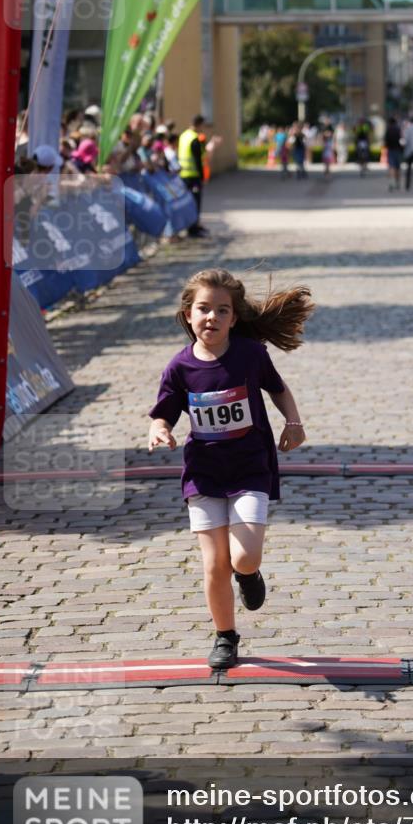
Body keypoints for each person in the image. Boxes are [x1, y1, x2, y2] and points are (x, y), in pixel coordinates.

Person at [148, 269, 314, 670]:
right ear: (188, 314)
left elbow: (277, 388)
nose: (212, 318)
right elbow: (163, 414)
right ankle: (225, 636)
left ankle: (250, 576)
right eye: (204, 309)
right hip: (204, 474)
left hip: (250, 468)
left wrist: (293, 423)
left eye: (222, 310)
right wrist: (159, 431)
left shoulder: (250, 355)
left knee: (244, 557)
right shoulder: (179, 368)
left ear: (234, 318)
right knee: (214, 563)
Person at [178, 114, 208, 237]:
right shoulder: (194, 138)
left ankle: (190, 226)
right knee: (195, 202)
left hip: (183, 175)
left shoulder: (184, 135)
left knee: (187, 202)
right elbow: (197, 160)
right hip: (193, 176)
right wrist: (202, 177)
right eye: (202, 125)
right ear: (199, 124)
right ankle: (193, 228)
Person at [384, 116, 402, 191]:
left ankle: (391, 183)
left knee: (391, 167)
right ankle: (397, 183)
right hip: (397, 150)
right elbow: (401, 139)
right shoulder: (398, 129)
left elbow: (385, 140)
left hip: (390, 150)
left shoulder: (388, 130)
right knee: (397, 167)